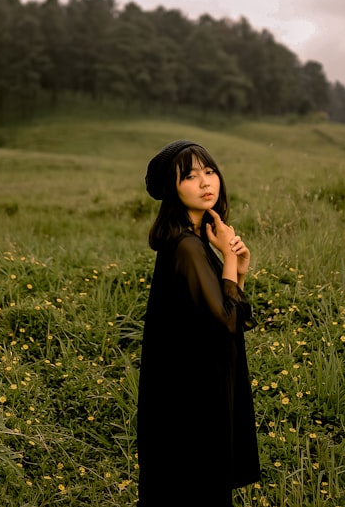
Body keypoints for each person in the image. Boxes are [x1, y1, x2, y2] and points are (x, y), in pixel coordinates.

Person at [136, 139, 261, 507]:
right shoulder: (187, 248)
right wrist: (226, 256)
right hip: (190, 402)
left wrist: (238, 273)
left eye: (209, 171)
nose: (206, 182)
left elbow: (225, 314)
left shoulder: (192, 239)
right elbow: (225, 321)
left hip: (191, 393)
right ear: (172, 189)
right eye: (190, 176)